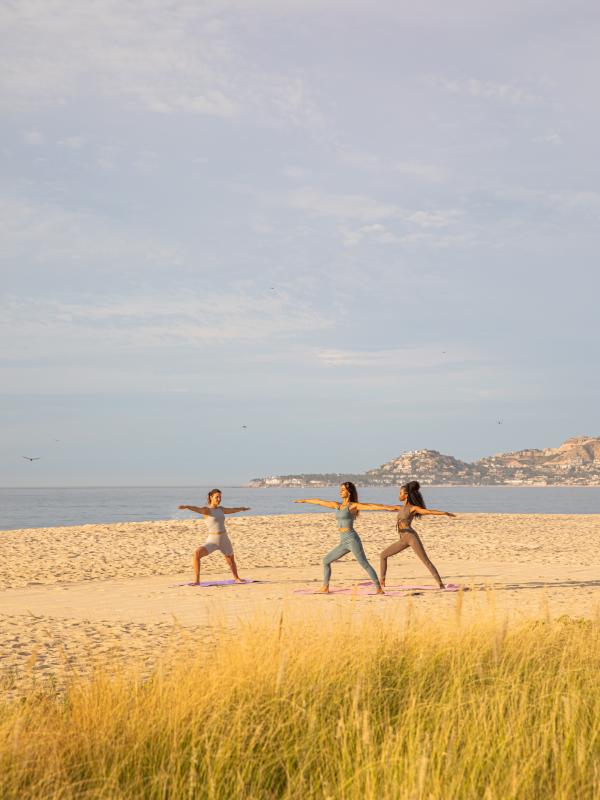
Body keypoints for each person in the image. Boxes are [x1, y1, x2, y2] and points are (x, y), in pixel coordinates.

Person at [294, 481, 395, 594]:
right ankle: (325, 587)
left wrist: (390, 507)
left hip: (352, 539)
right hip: (343, 541)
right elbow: (320, 502)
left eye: (343, 490)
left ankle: (379, 588)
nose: (340, 491)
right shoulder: (337, 505)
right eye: (340, 489)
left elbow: (372, 506)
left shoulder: (352, 506)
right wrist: (304, 500)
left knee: (364, 564)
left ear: (349, 492)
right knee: (326, 561)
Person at [378, 481, 456, 589]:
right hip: (402, 539)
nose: (399, 495)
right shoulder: (399, 507)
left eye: (400, 493)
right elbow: (384, 507)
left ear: (406, 495)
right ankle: (382, 583)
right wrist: (364, 506)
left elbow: (428, 511)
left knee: (425, 561)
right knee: (383, 555)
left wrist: (444, 513)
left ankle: (440, 584)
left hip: (411, 538)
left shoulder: (413, 508)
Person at [178, 489, 250, 585]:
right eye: (217, 497)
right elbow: (196, 508)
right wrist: (187, 507)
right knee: (197, 554)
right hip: (212, 540)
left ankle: (236, 578)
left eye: (220, 497)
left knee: (231, 561)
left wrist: (242, 509)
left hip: (224, 539)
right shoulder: (206, 510)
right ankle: (197, 581)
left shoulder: (221, 509)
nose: (219, 499)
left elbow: (232, 510)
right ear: (211, 497)